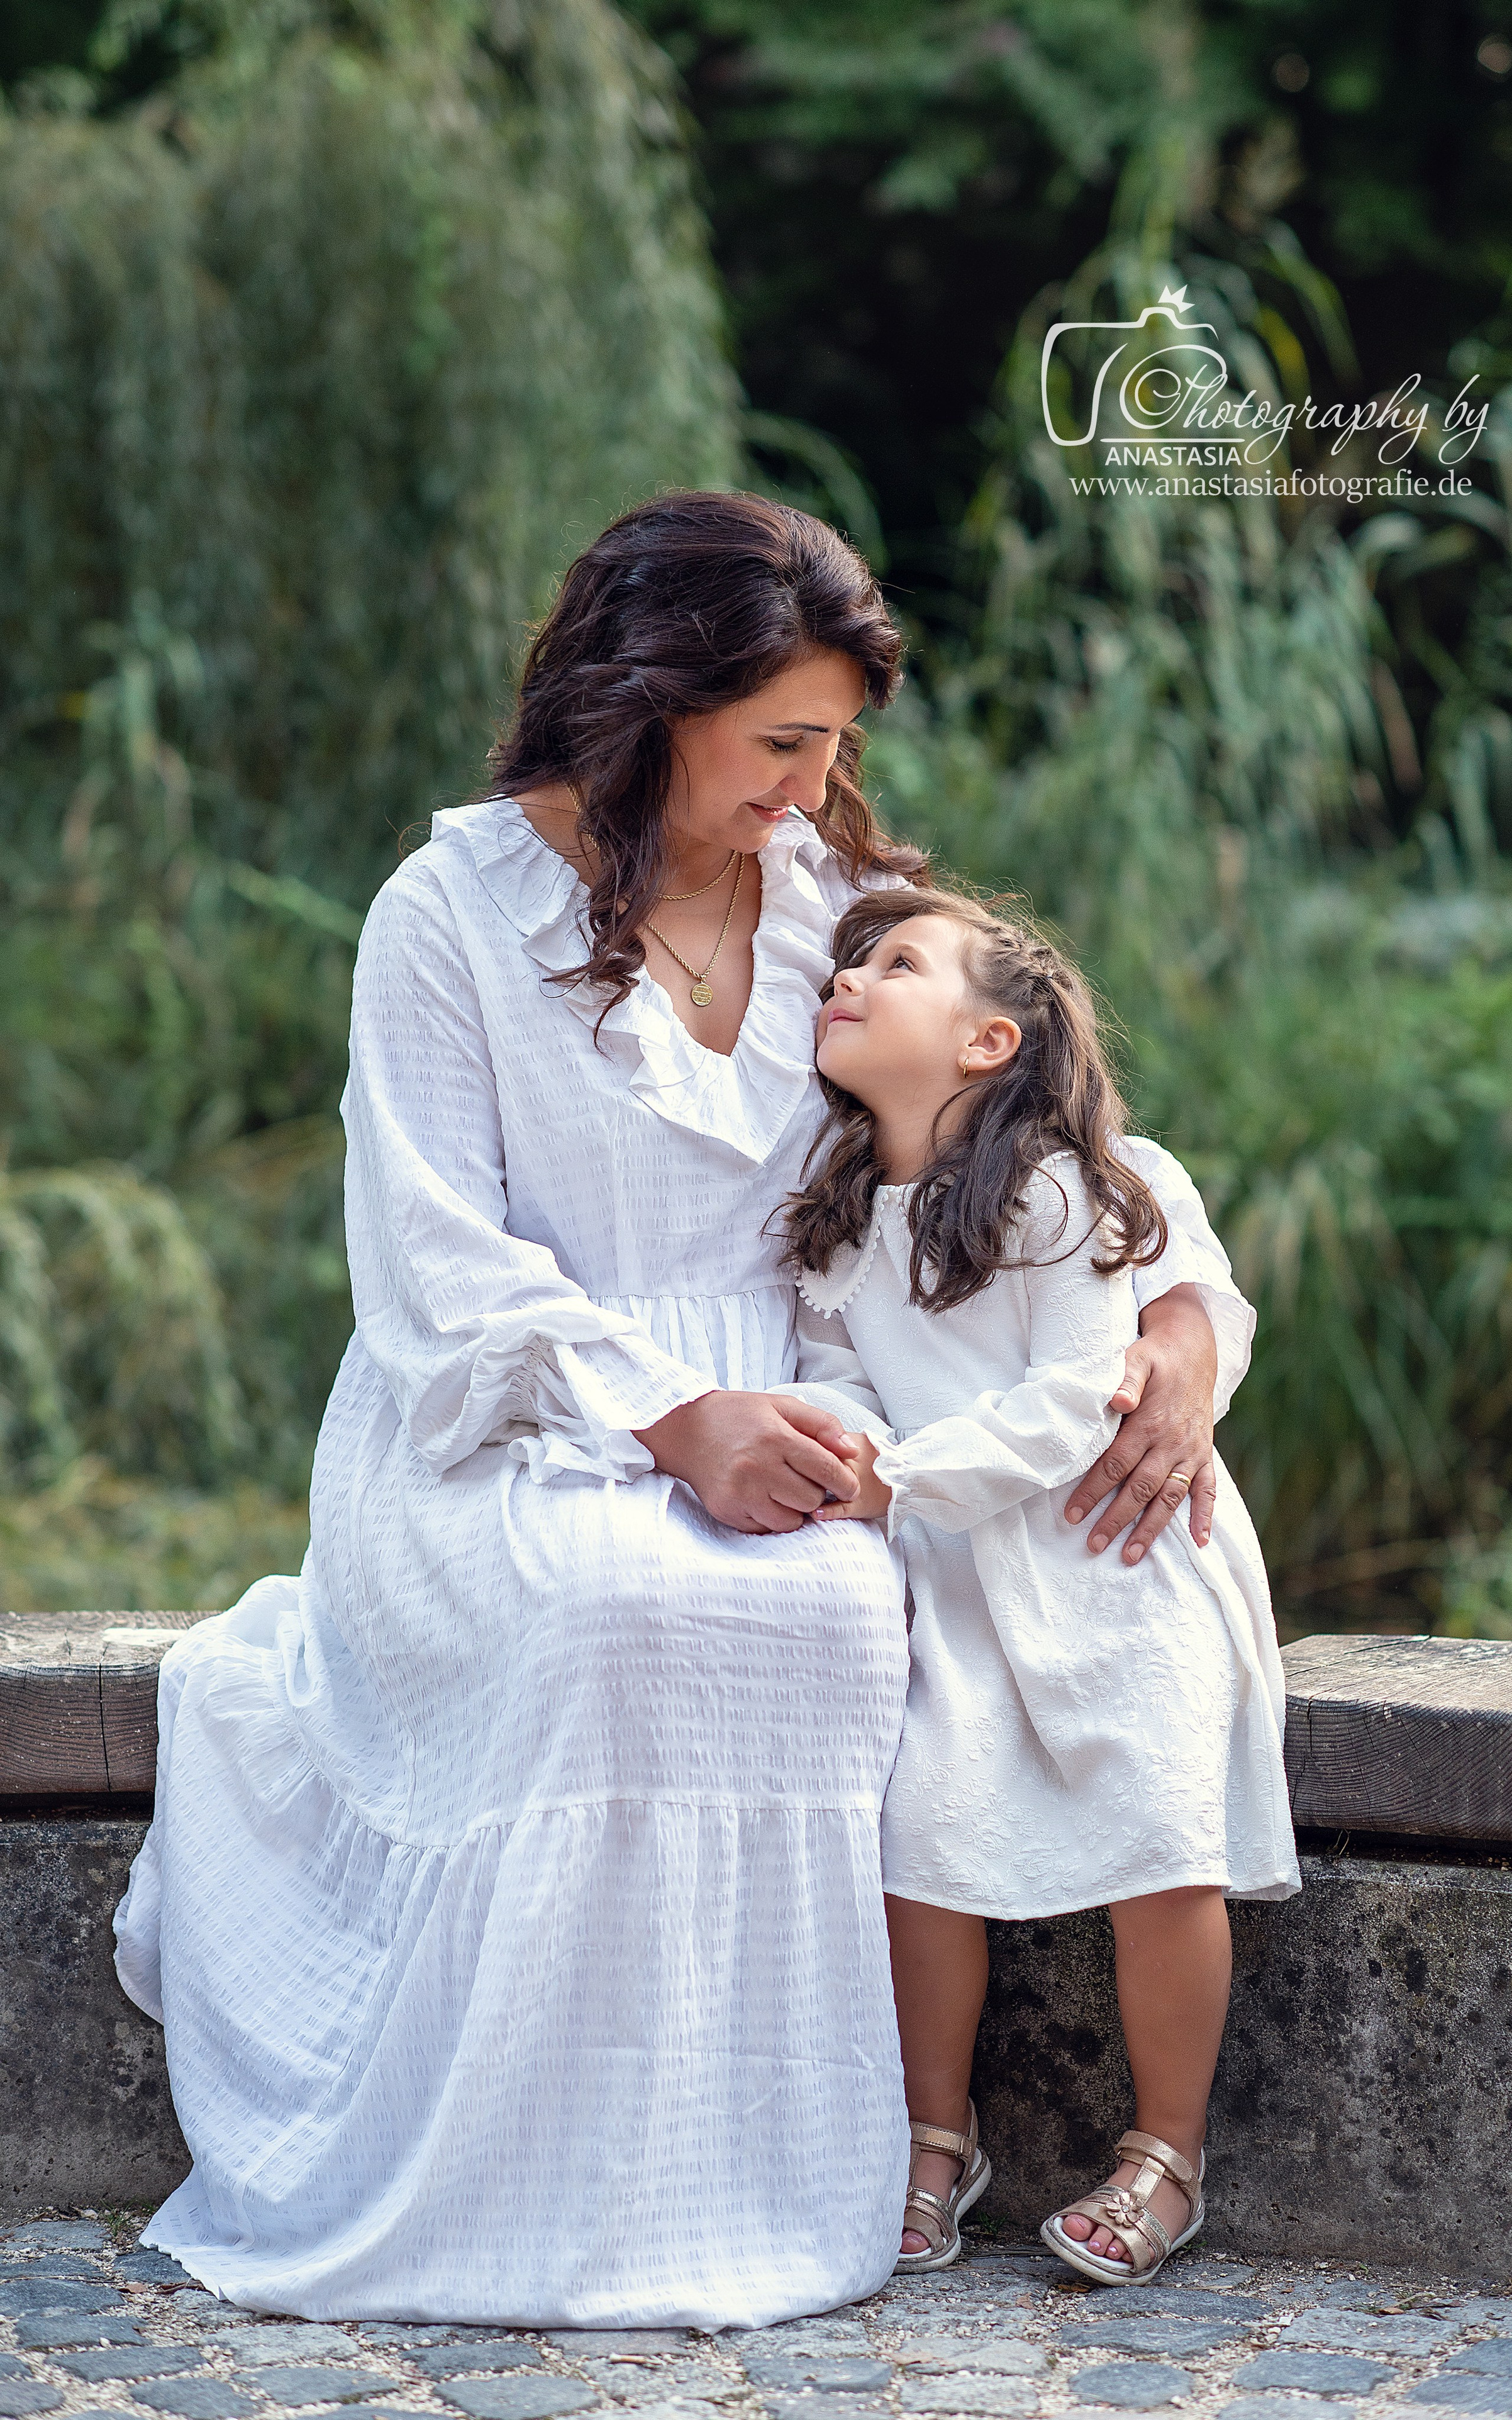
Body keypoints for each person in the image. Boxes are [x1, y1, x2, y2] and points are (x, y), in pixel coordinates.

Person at [114, 493, 1231, 2328]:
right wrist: (667, 1416)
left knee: (828, 1608)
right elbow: (430, 1259)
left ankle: (767, 2173)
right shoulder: (447, 914)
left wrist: (1183, 1326)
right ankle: (523, 2179)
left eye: (835, 748)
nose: (813, 787)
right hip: (507, 1422)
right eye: (783, 741)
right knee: (619, 1606)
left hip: (803, 1408)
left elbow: (1056, 1139)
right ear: (647, 701)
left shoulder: (830, 917)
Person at [781, 884, 1299, 2285]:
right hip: (957, 1578)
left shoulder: (1056, 1191)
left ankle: (1165, 2154)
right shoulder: (835, 1227)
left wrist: (893, 1477)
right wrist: (855, 1460)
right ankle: (930, 2139)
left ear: (986, 1041)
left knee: (1154, 1836)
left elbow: (1082, 1399)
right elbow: (833, 1387)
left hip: (1115, 1558)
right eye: (847, 961)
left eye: (895, 964)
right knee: (921, 1839)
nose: (848, 977)